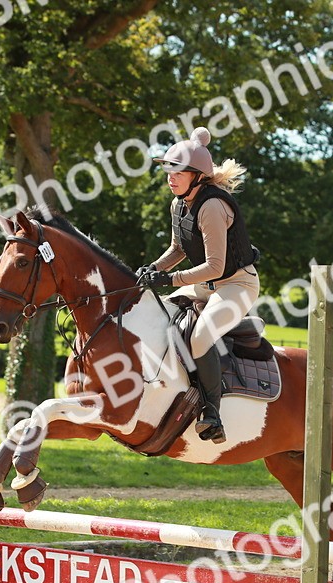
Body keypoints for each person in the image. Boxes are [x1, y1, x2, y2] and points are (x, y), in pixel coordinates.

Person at [137, 127, 260, 445]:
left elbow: (216, 266)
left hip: (237, 285)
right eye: (169, 171)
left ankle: (212, 414)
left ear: (197, 176)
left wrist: (170, 279)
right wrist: (153, 269)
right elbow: (177, 249)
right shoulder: (178, 205)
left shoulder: (212, 206)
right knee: (159, 314)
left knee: (201, 336)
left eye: (178, 172)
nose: (170, 178)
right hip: (206, 285)